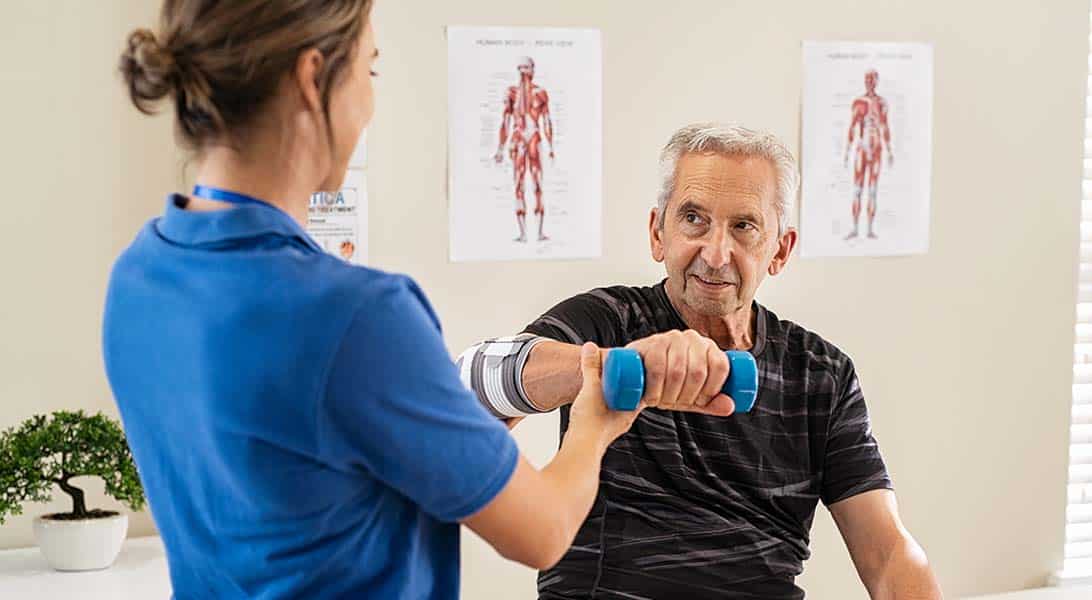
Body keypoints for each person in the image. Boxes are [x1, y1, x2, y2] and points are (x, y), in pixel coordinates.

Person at [104, 2, 636, 597]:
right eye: (369, 71)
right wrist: (596, 422)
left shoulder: (137, 278)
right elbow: (542, 531)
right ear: (312, 79)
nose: (368, 104)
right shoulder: (357, 317)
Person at [459, 124, 942, 599]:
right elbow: (471, 385)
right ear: (657, 233)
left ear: (780, 250)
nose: (715, 254)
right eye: (694, 219)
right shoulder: (605, 322)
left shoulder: (821, 374)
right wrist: (618, 366)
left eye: (744, 227)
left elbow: (887, 554)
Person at [493, 56, 555, 242]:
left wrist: (551, 146)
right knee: (518, 184)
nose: (523, 72)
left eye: (526, 68)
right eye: (520, 68)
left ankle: (539, 232)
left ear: (533, 69)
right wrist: (500, 148)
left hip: (534, 139)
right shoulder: (511, 93)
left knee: (537, 183)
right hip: (518, 139)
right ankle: (522, 232)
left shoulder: (540, 93)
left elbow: (547, 120)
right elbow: (505, 121)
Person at [843, 69, 894, 240]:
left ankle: (870, 228)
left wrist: (889, 150)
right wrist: (848, 150)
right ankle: (856, 228)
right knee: (858, 190)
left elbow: (885, 127)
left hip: (877, 148)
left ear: (877, 81)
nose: (869, 82)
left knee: (872, 190)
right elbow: (852, 127)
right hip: (862, 148)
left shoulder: (882, 103)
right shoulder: (859, 102)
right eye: (867, 79)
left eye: (872, 79)